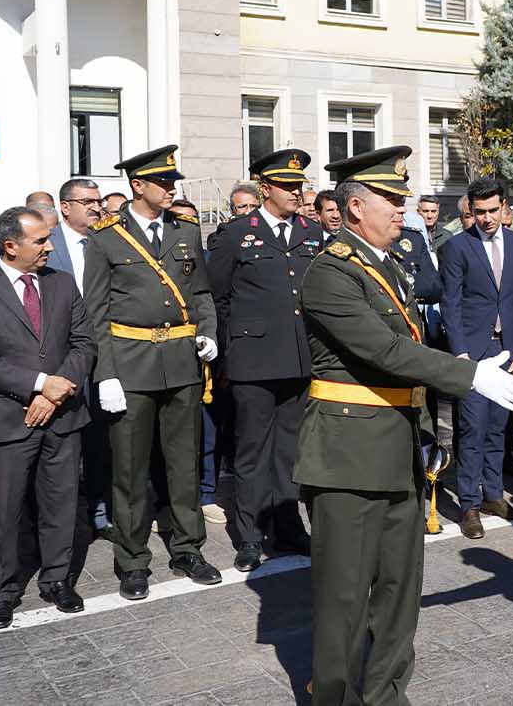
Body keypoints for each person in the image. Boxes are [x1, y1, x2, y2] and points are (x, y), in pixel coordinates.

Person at [295, 146, 513, 706]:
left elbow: (411, 354)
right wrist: (468, 375)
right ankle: (336, 696)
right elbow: (384, 351)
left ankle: (386, 693)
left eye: (402, 199)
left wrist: (427, 428)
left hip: (399, 447)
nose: (403, 208)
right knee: (345, 595)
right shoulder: (330, 273)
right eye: (391, 199)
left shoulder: (391, 266)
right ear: (354, 208)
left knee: (399, 592)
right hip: (348, 453)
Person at [84, 145, 223, 600]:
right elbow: (96, 311)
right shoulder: (106, 238)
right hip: (131, 365)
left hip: (182, 362)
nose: (172, 189)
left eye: (172, 182)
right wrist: (105, 372)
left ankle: (189, 548)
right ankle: (132, 559)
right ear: (137, 186)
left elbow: (200, 291)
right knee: (129, 470)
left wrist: (208, 331)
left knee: (184, 463)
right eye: (163, 182)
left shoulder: (185, 231)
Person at [0, 206, 95, 629]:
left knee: (61, 503)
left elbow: (84, 343)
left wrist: (55, 391)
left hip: (62, 414)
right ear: (11, 245)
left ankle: (57, 578)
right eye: (40, 241)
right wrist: (38, 383)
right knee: (4, 510)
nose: (50, 248)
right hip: (5, 418)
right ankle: (0, 591)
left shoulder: (63, 284)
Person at [208, 149, 318, 573]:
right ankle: (250, 535)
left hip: (299, 359)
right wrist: (228, 352)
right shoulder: (237, 234)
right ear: (265, 189)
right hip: (252, 359)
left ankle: (289, 527)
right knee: (252, 450)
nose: (296, 192)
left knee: (290, 450)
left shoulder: (310, 232)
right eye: (288, 186)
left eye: (299, 186)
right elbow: (217, 296)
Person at [438, 177, 513, 539]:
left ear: (504, 208)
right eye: (479, 212)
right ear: (471, 212)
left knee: (499, 427)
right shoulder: (457, 248)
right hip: (474, 355)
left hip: (508, 351)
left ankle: (494, 495)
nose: (486, 218)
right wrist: (461, 355)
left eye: (493, 210)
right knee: (472, 428)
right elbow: (450, 303)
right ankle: (468, 504)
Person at [45, 177, 113, 539]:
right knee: (64, 444)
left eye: (98, 200)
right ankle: (61, 521)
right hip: (62, 360)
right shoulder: (46, 246)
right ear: (65, 207)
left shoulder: (108, 241)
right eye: (87, 201)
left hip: (105, 356)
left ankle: (100, 511)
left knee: (102, 440)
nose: (96, 206)